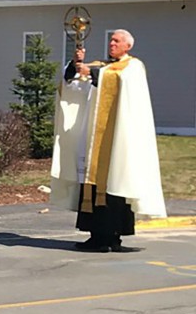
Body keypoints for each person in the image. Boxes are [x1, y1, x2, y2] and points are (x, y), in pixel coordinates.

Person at [50, 29, 166, 252]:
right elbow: (75, 88)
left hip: (118, 140)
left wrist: (93, 72)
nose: (111, 44)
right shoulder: (100, 66)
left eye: (116, 41)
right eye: (111, 40)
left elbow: (114, 80)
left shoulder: (133, 67)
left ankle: (114, 238)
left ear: (128, 46)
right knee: (93, 186)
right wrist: (76, 67)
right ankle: (97, 237)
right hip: (94, 140)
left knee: (117, 186)